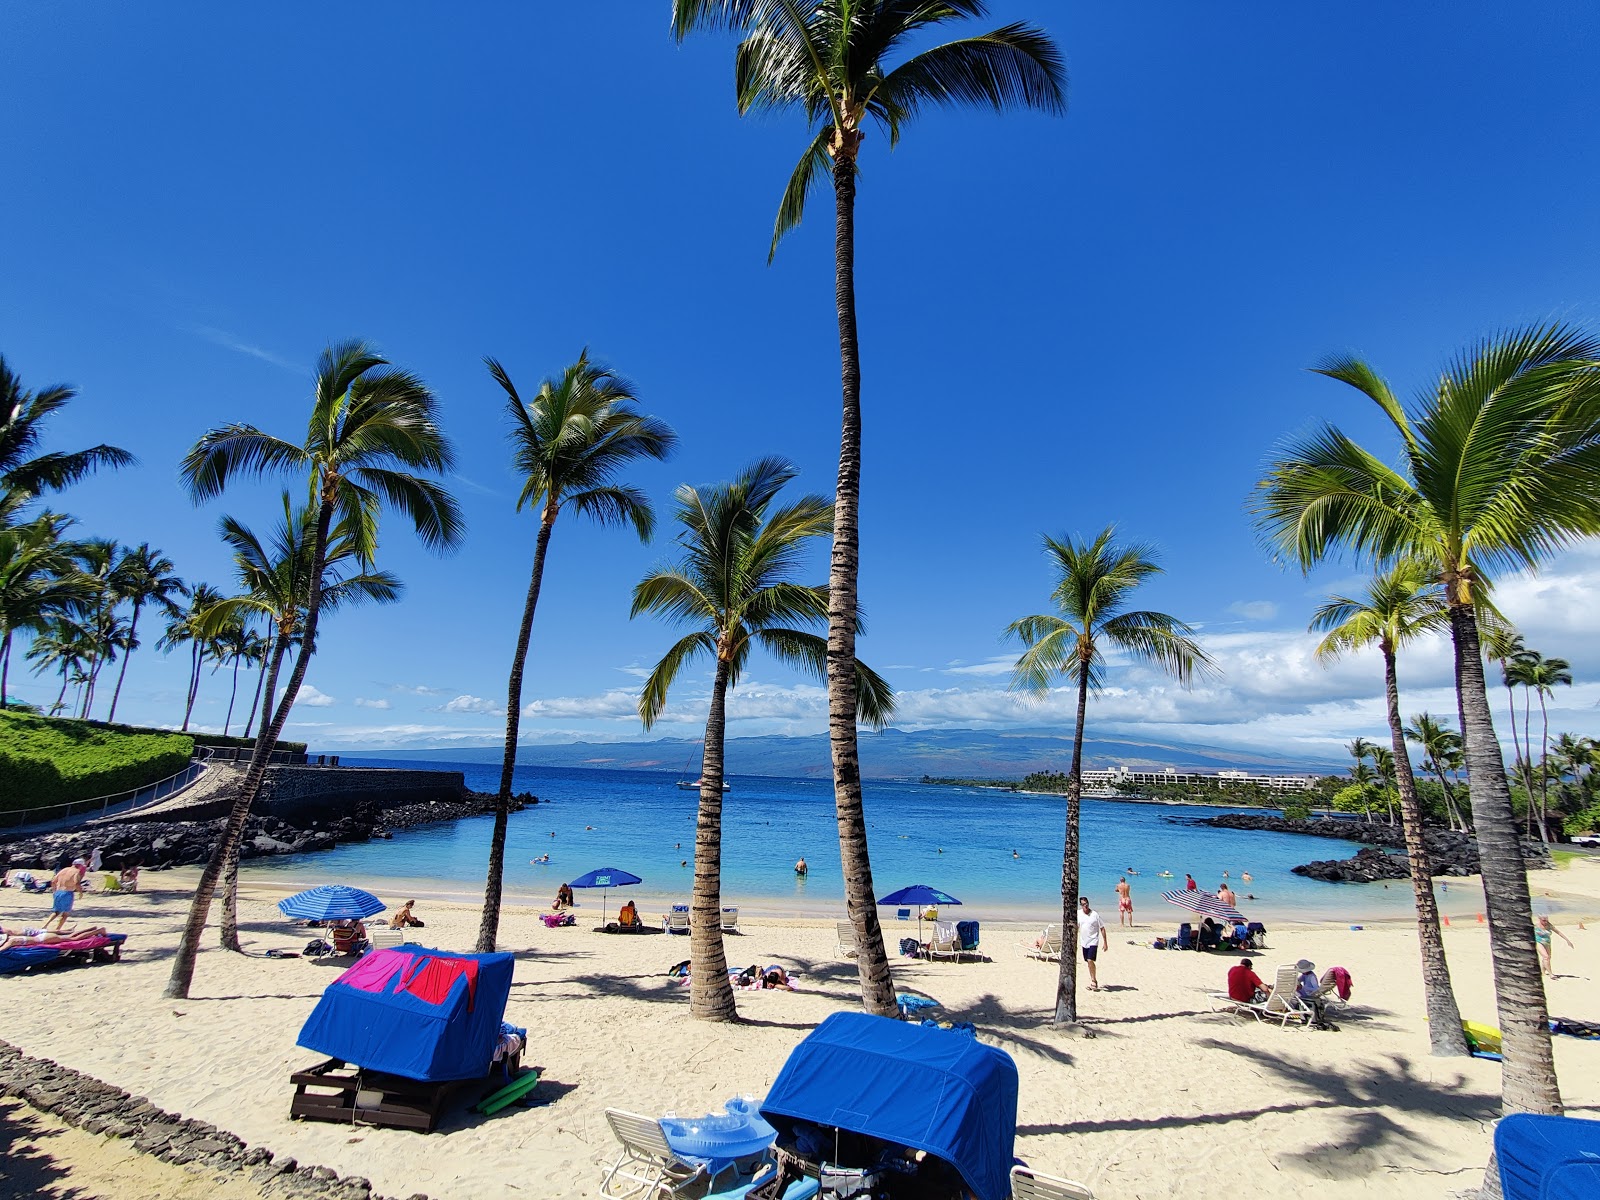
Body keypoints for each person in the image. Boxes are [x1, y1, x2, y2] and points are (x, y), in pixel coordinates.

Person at [0, 923, 110, 952]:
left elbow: (5, 947)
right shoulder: (11, 938)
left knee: (73, 939)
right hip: (43, 937)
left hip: (45, 939)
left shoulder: (13, 940)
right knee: (70, 936)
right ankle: (92, 929)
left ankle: (98, 930)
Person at [1295, 958, 1337, 1030]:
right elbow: (1299, 980)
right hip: (1306, 992)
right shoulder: (1305, 975)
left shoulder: (1311, 976)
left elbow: (1316, 988)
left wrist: (1304, 988)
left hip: (1310, 993)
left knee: (1294, 993)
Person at [44, 859, 85, 931]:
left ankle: (44, 926)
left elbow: (53, 881)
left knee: (56, 912)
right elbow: (76, 883)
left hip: (58, 892)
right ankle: (57, 929)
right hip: (67, 893)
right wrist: (80, 892)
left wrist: (54, 891)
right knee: (65, 914)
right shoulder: (76, 872)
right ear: (80, 865)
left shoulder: (63, 870)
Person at [1078, 896, 1109, 991]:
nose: (1085, 906)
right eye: (1083, 904)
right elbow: (1076, 926)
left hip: (1093, 941)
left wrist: (1105, 943)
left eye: (1086, 903)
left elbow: (1102, 928)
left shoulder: (1095, 914)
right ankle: (1093, 979)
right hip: (1084, 941)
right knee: (1088, 961)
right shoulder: (1078, 914)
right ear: (1081, 905)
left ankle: (1094, 981)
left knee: (1090, 960)